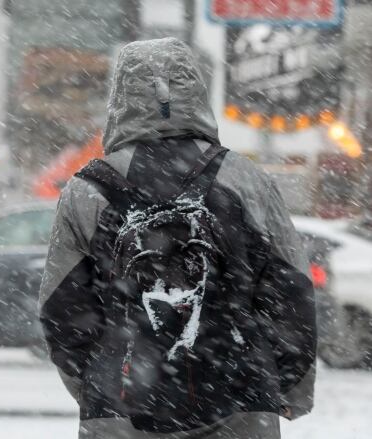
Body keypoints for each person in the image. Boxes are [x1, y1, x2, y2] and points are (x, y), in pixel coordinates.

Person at [39, 38, 315, 439]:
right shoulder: (246, 180)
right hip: (240, 405)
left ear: (120, 98)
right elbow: (290, 295)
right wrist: (285, 386)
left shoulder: (86, 190)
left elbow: (61, 311)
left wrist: (99, 386)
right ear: (196, 92)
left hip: (120, 410)